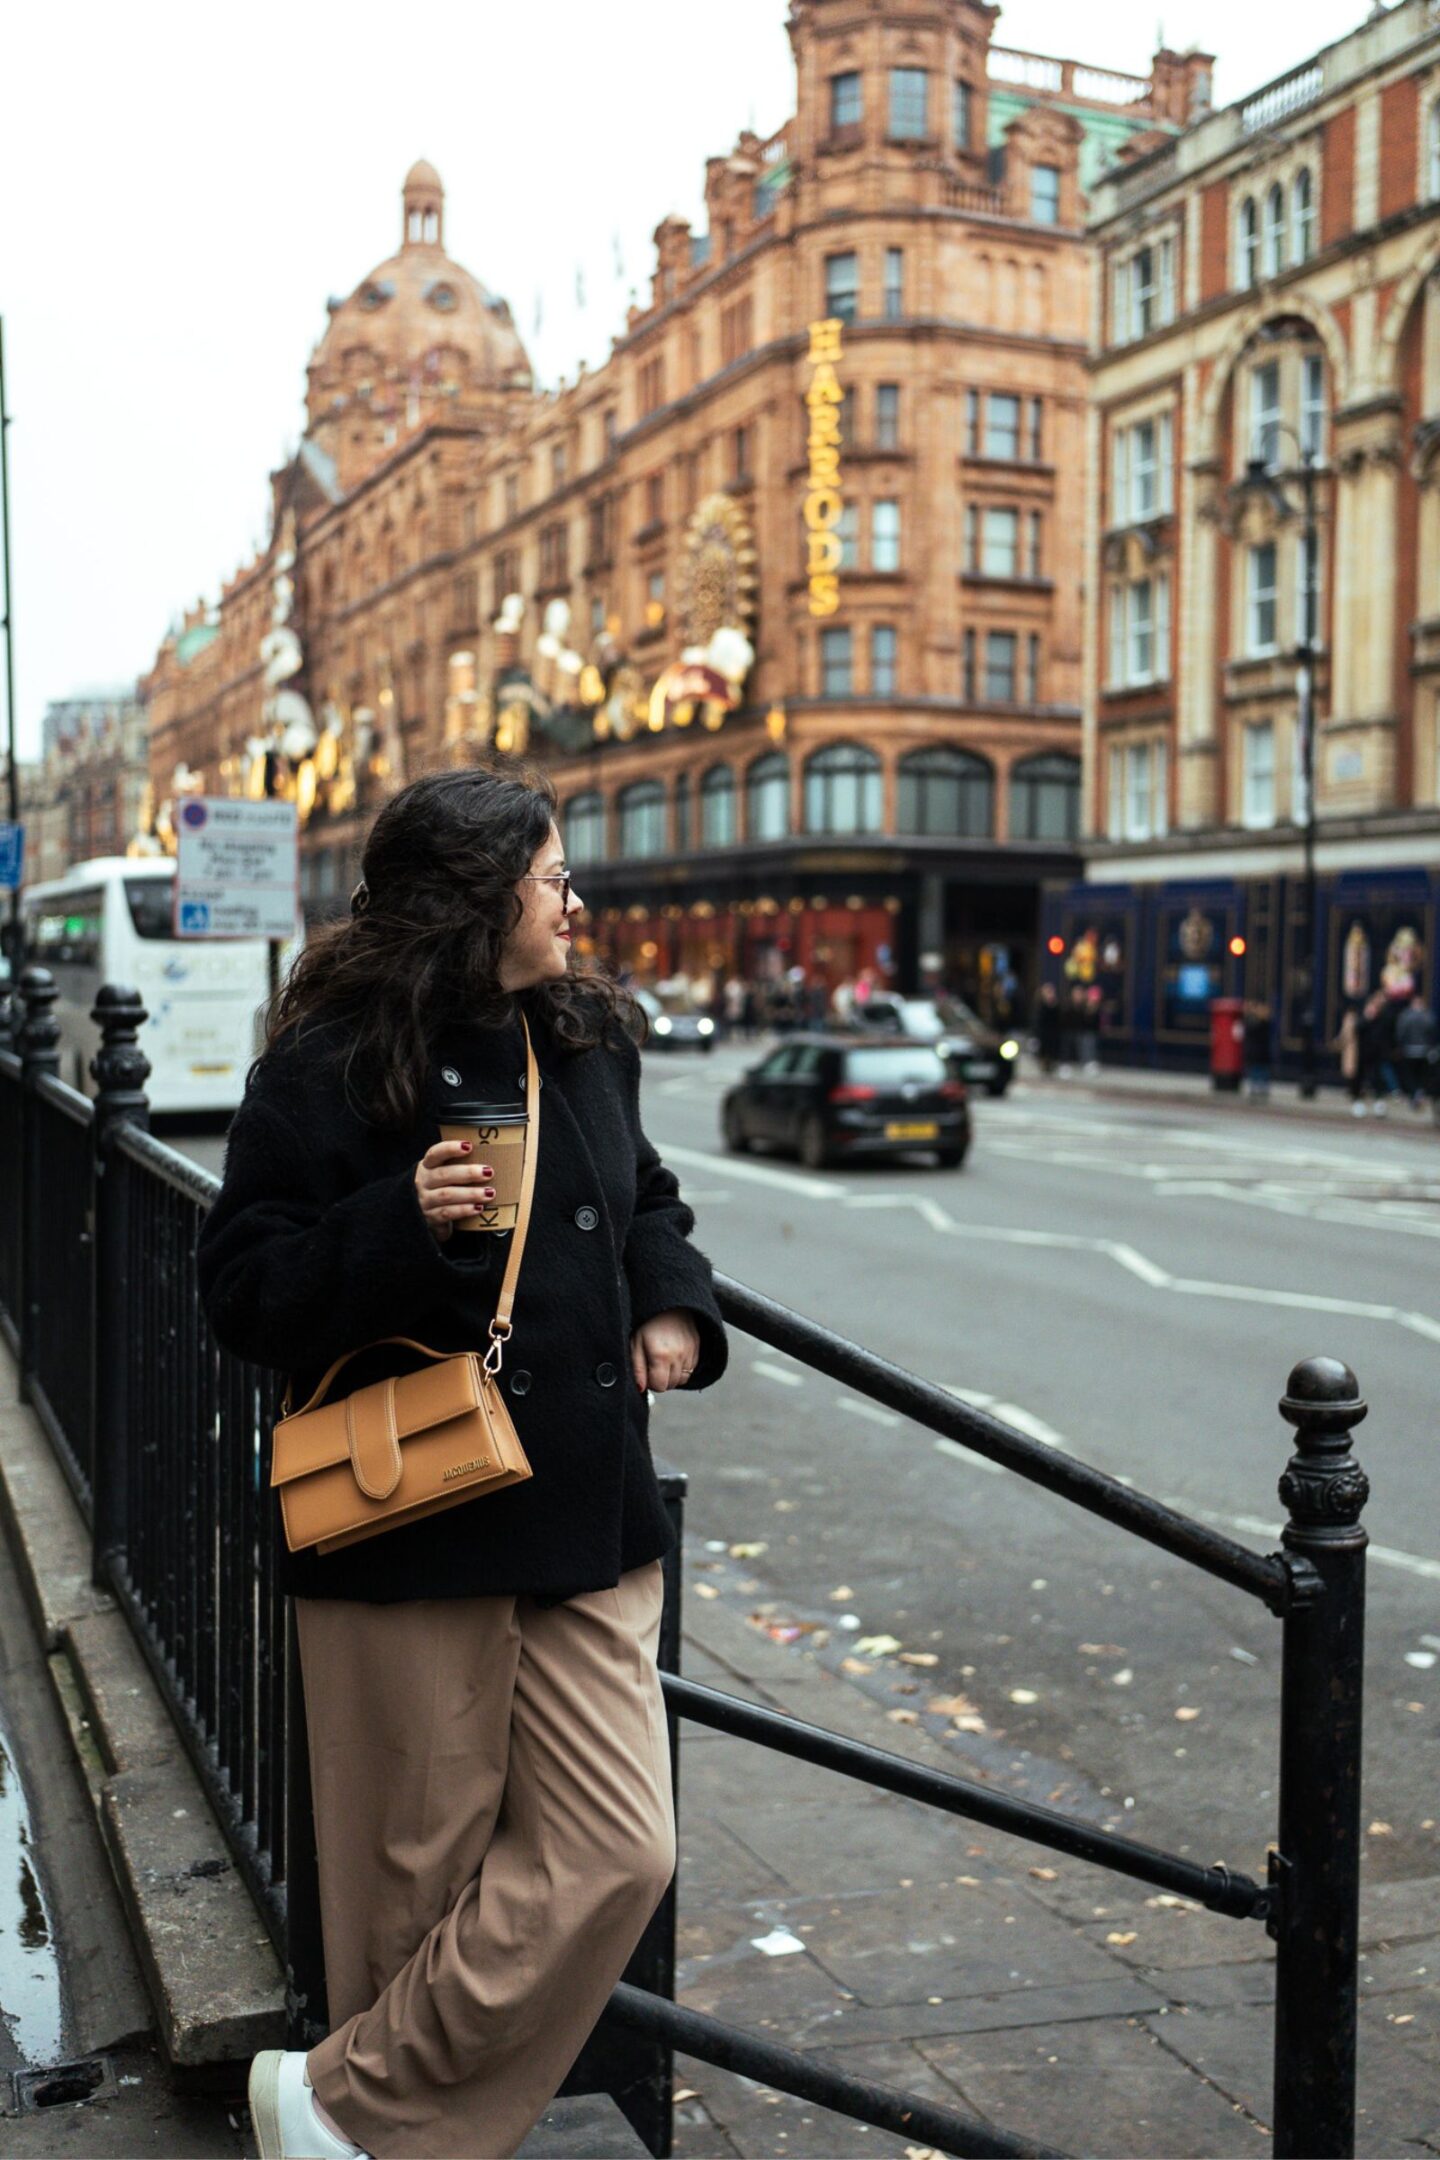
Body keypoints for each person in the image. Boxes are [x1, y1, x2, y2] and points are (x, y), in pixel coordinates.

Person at [197, 764, 727, 2160]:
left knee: (620, 1850)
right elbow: (243, 1288)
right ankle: (399, 2141)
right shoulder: (330, 1064)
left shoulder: (588, 1039)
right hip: (413, 1518)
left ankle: (337, 2106)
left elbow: (646, 1193)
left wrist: (673, 1297)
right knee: (411, 1887)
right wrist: (398, 1225)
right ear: (477, 896)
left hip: (585, 1516)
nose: (574, 896)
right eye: (552, 875)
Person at [1395, 990, 1438, 1108]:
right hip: (1424, 1050)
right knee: (1420, 1076)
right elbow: (1432, 1031)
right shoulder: (1427, 1015)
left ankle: (1414, 1095)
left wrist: (1400, 1045)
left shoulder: (1406, 1015)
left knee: (1410, 1076)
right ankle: (1418, 1093)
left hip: (1409, 1050)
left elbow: (1400, 1032)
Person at [1242, 999, 1273, 1100]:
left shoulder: (1263, 1023)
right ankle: (1256, 1089)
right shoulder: (1252, 1022)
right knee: (1255, 1070)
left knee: (1262, 1071)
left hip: (1262, 1052)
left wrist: (1252, 1012)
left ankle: (1262, 1089)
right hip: (1255, 1052)